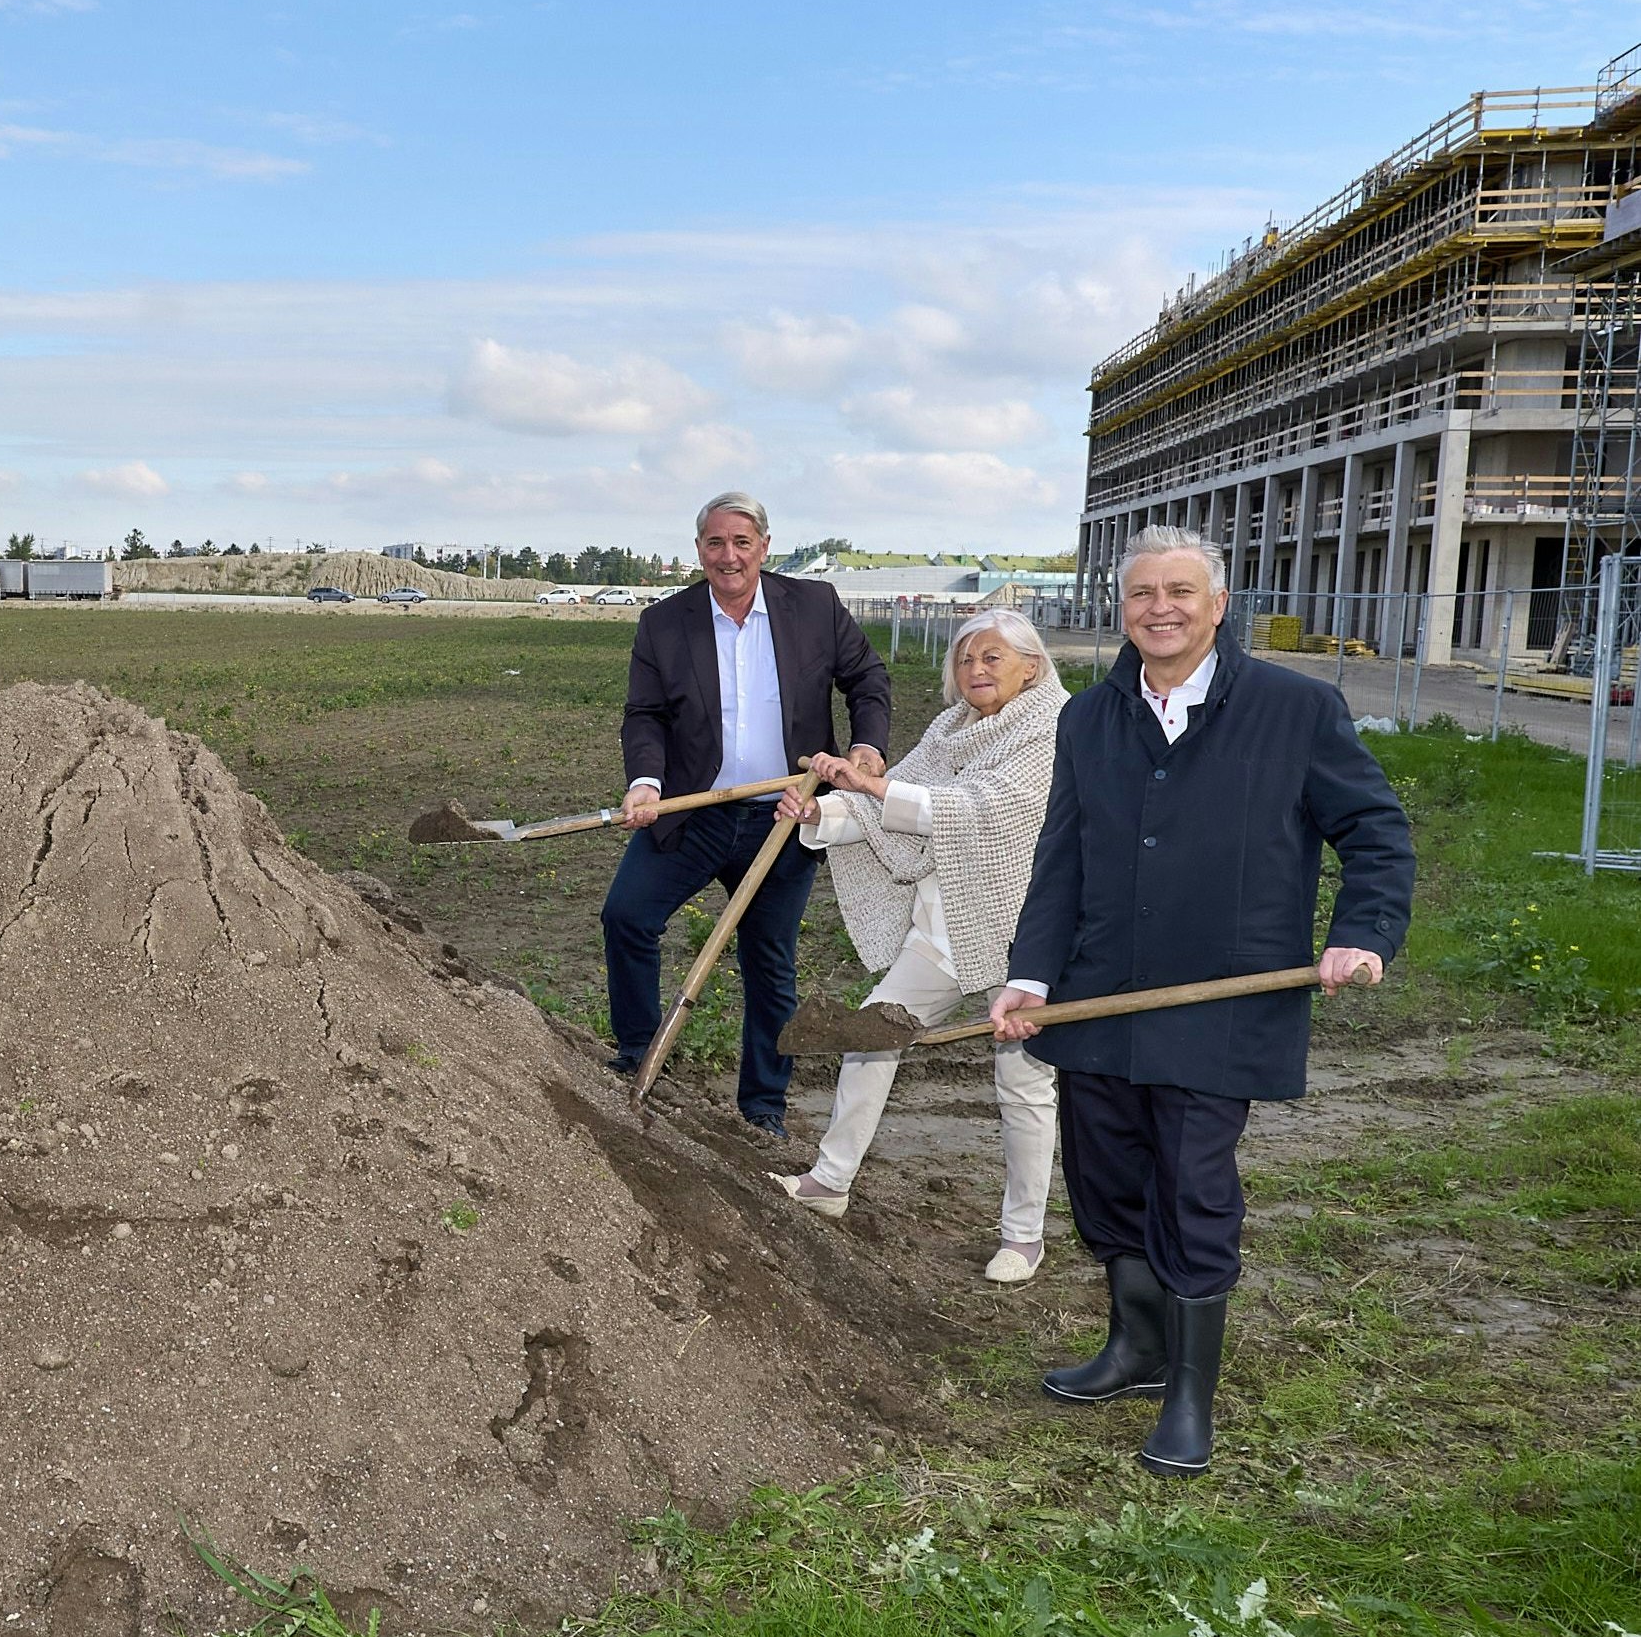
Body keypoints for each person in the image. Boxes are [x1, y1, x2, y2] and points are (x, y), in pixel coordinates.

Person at [989, 526, 1412, 1477]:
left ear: (1217, 605)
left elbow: (1376, 835)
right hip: (1099, 997)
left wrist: (1362, 934)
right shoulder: (1089, 718)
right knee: (1105, 1184)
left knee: (1192, 1187)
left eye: (1180, 591)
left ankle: (1189, 1394)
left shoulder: (1294, 709)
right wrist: (1031, 972)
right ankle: (1134, 1350)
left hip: (1220, 1000)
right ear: (1122, 608)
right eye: (1141, 594)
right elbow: (1061, 857)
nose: (1159, 608)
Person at [767, 609, 1067, 1282]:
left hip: (1026, 934)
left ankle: (1022, 1237)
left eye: (992, 658)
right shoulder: (950, 728)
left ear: (1031, 665)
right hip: (947, 924)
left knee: (1023, 1080)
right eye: (965, 660)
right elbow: (889, 804)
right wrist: (822, 811)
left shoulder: (1053, 729)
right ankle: (829, 1181)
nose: (975, 671)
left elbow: (981, 809)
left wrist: (875, 787)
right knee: (872, 1032)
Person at [605, 491, 894, 1137]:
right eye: (714, 542)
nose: (728, 555)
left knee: (768, 962)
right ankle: (633, 1055)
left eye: (741, 542)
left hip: (783, 818)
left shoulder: (812, 607)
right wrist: (645, 781)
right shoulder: (664, 622)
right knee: (625, 916)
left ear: (764, 547)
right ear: (699, 550)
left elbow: (866, 678)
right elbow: (645, 714)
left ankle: (762, 1107)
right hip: (694, 812)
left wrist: (866, 747)